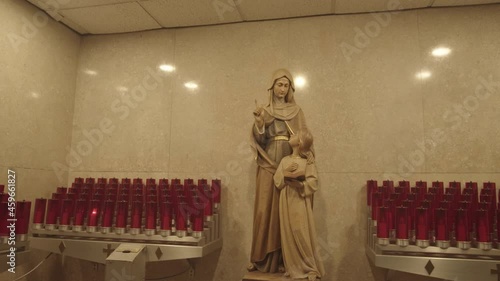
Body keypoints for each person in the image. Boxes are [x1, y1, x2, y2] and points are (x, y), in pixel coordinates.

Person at [249, 69, 311, 273]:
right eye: (279, 84)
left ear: (290, 88)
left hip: (289, 164)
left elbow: (305, 138)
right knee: (264, 210)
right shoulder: (265, 111)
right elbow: (259, 141)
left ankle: (287, 259)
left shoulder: (297, 111)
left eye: (286, 85)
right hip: (268, 163)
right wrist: (259, 124)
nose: (282, 89)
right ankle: (261, 259)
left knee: (289, 211)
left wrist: (304, 161)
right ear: (272, 86)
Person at [274, 129, 325, 281]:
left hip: (299, 200)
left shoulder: (307, 162)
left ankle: (310, 267)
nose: (291, 135)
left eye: (295, 134)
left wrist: (300, 184)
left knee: (300, 231)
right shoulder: (284, 161)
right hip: (286, 199)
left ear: (300, 142)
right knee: (287, 232)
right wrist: (285, 174)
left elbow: (313, 182)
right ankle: (293, 267)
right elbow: (277, 181)